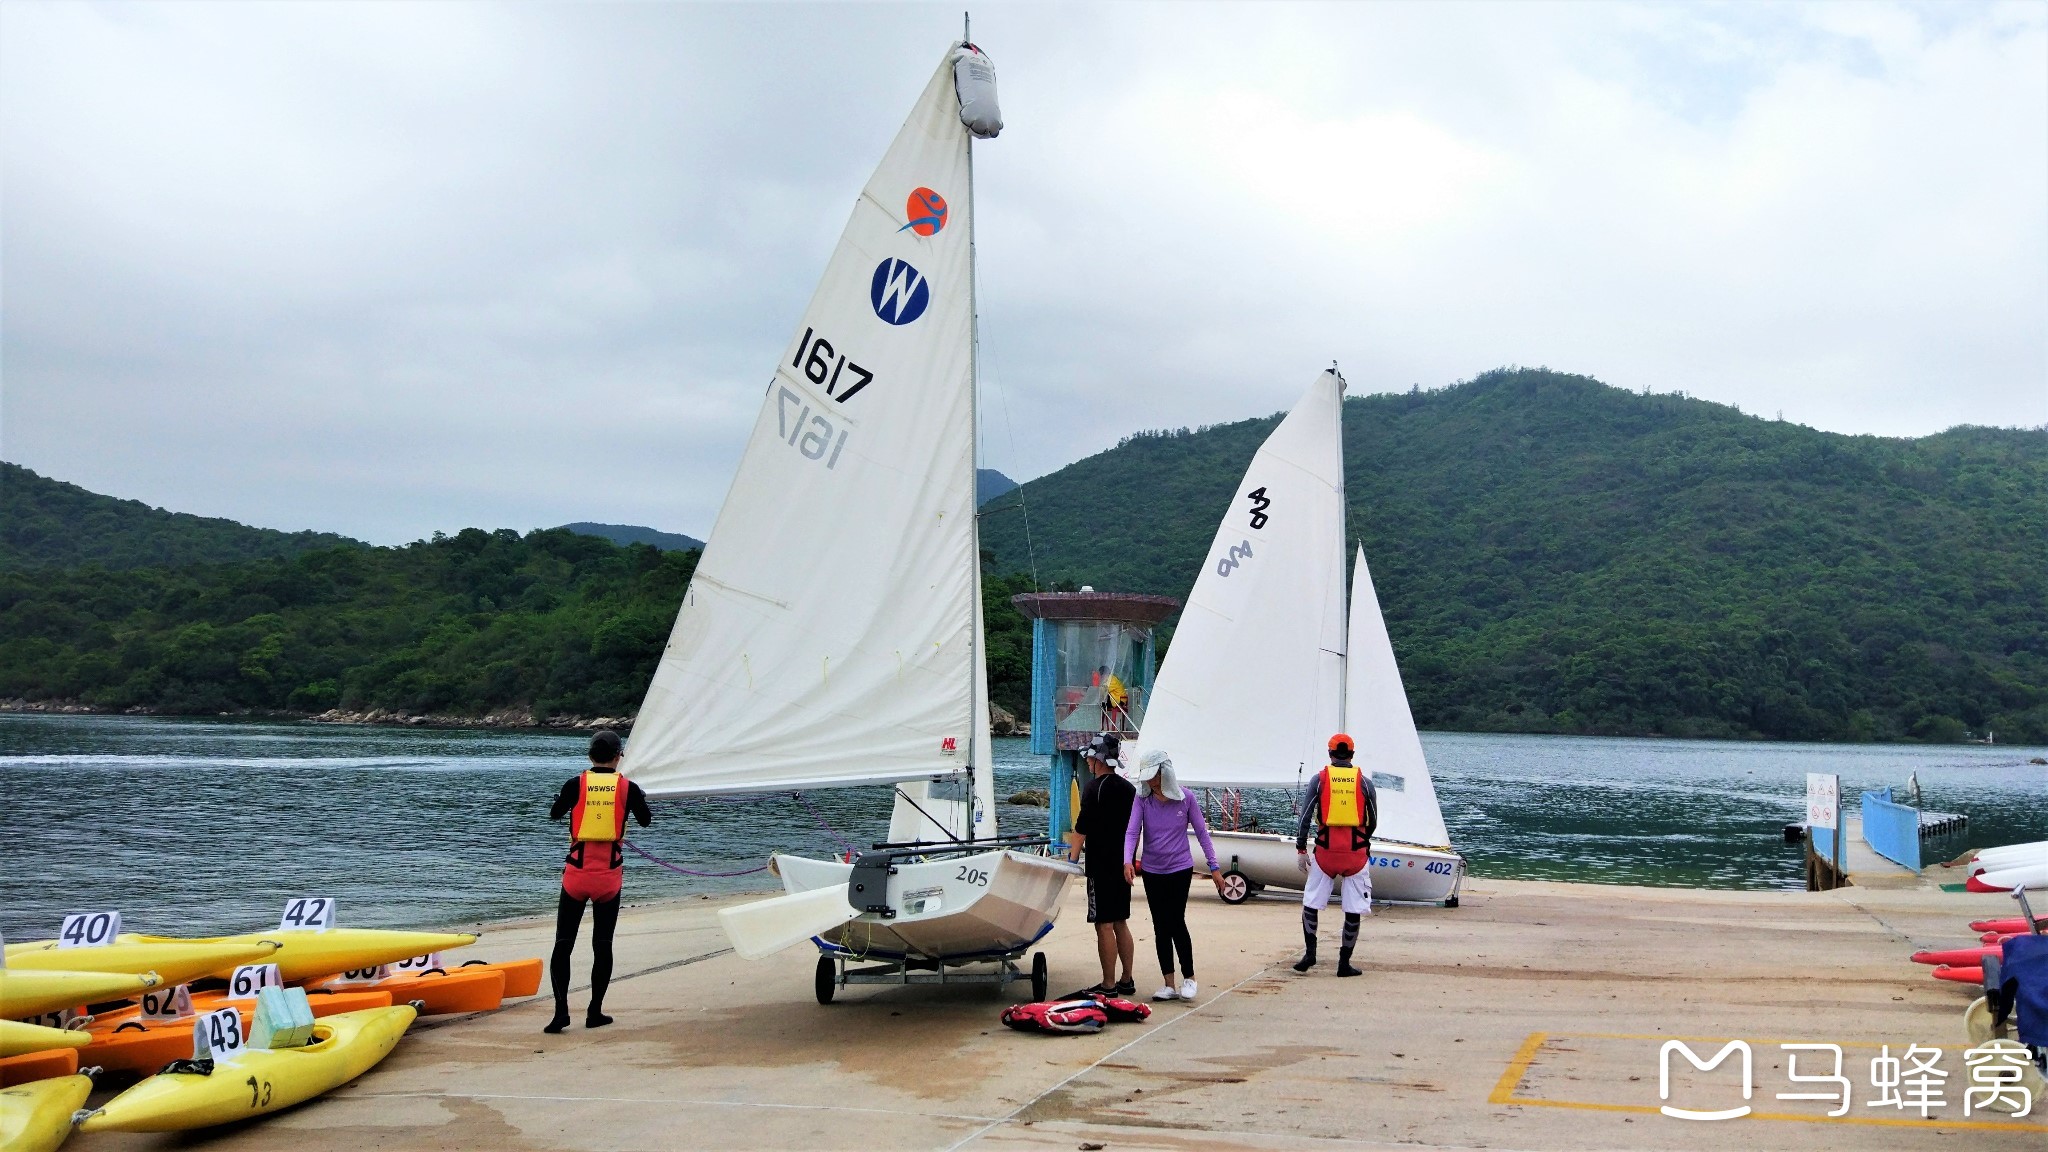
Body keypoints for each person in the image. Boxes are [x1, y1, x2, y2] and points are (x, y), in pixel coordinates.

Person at [544, 728, 651, 1033]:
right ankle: (594, 1013)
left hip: (576, 876)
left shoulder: (575, 784)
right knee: (602, 944)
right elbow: (645, 821)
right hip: (609, 877)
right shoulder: (628, 787)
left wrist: (564, 801)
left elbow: (555, 814)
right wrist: (635, 800)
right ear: (620, 756)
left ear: (590, 755)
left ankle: (561, 1013)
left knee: (563, 943)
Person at [1123, 748, 1225, 1001]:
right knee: (1160, 926)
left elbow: (1202, 834)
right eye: (1146, 776)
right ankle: (1168, 982)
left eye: (1153, 775)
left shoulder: (1186, 798)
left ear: (1164, 772)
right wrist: (1127, 860)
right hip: (1153, 869)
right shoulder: (1142, 799)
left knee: (1176, 921)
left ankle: (1189, 977)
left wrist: (1214, 868)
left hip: (1180, 868)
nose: (1149, 781)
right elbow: (1132, 831)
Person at [1293, 733, 1378, 978]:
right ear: (1352, 754)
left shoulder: (1319, 780)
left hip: (1325, 852)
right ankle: (1344, 964)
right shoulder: (1364, 783)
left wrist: (1301, 849)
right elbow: (1373, 820)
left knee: (1311, 903)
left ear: (1330, 753)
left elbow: (1306, 817)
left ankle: (1310, 953)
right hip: (1356, 854)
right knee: (1353, 909)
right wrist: (1363, 840)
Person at [1066, 733, 1136, 996]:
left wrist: (1071, 861)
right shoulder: (1128, 789)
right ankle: (1126, 980)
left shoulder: (1093, 788)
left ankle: (1108, 985)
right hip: (1122, 864)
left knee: (1103, 924)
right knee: (1121, 921)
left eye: (1089, 758)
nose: (1087, 762)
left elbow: (1081, 828)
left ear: (1098, 759)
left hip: (1100, 865)